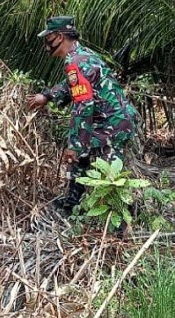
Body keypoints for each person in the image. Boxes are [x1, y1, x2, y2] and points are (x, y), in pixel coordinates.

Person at [28, 16, 137, 212]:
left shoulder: (76, 62)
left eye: (48, 38)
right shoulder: (83, 55)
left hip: (112, 124)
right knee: (80, 162)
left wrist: (76, 145)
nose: (46, 45)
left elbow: (84, 106)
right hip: (110, 121)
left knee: (111, 177)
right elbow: (72, 86)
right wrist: (47, 95)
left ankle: (123, 221)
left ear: (59, 37)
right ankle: (72, 205)